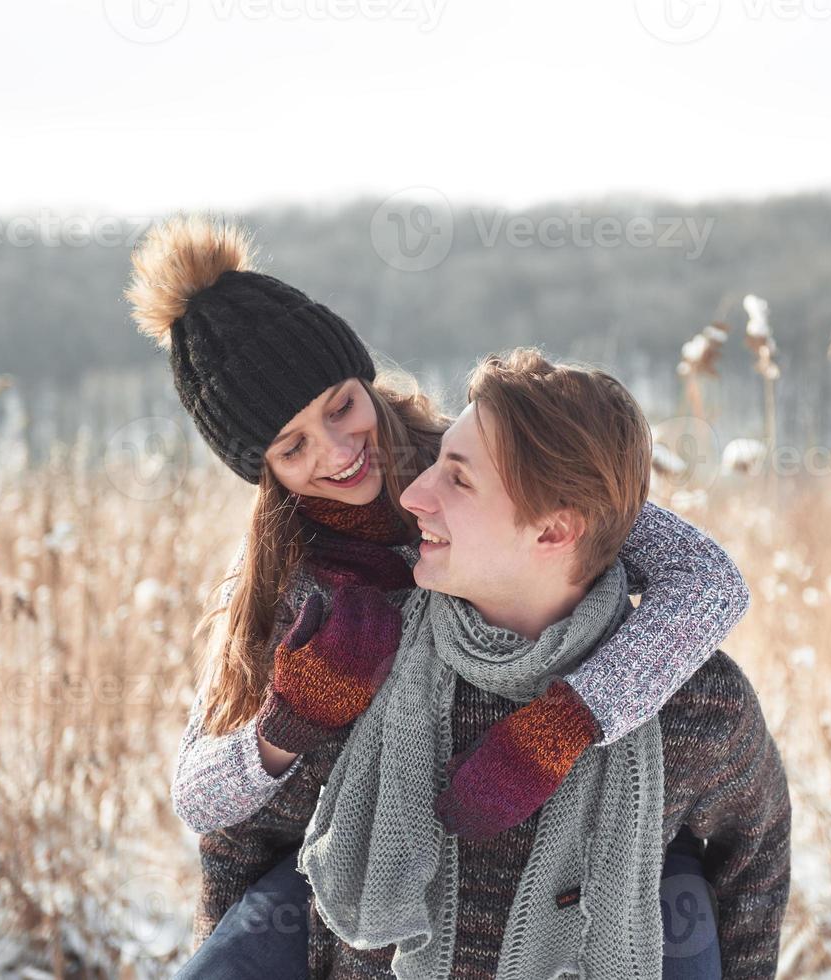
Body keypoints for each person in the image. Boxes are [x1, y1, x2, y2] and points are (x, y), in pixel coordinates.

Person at [123, 215, 755, 974]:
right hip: (355, 884)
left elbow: (706, 580)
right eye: (292, 447)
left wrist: (568, 719)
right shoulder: (282, 579)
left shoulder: (486, 464)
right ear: (262, 471)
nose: (337, 450)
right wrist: (290, 725)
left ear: (361, 377)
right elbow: (198, 794)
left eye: (339, 406)